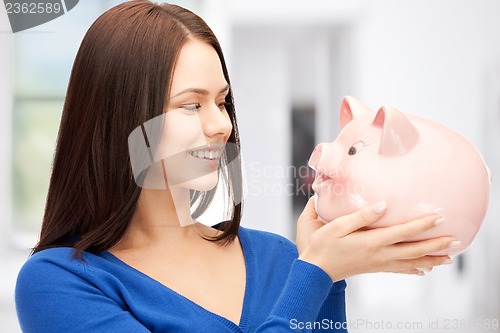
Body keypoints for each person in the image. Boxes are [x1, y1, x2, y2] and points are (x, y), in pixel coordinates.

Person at [14, 1, 457, 332]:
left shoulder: (282, 258)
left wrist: (324, 274)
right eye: (191, 105)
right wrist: (316, 274)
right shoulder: (58, 283)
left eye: (222, 101)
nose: (220, 124)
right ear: (122, 122)